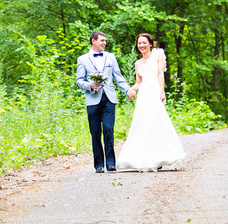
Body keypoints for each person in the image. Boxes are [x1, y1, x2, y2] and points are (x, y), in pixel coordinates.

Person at [117, 32, 187, 171]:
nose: (141, 45)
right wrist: (131, 90)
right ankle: (142, 158)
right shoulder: (137, 63)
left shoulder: (158, 55)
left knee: (157, 123)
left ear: (150, 43)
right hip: (143, 96)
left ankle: (160, 157)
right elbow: (138, 82)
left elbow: (160, 73)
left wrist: (161, 92)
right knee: (142, 124)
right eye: (139, 43)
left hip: (154, 93)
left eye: (144, 42)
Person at [75, 30, 132, 173]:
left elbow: (118, 77)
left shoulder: (111, 57)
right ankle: (99, 164)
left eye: (105, 40)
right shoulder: (83, 59)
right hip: (93, 99)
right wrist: (90, 85)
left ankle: (111, 163)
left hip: (109, 98)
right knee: (95, 132)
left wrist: (127, 90)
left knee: (108, 129)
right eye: (102, 40)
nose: (105, 43)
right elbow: (79, 81)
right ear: (93, 41)